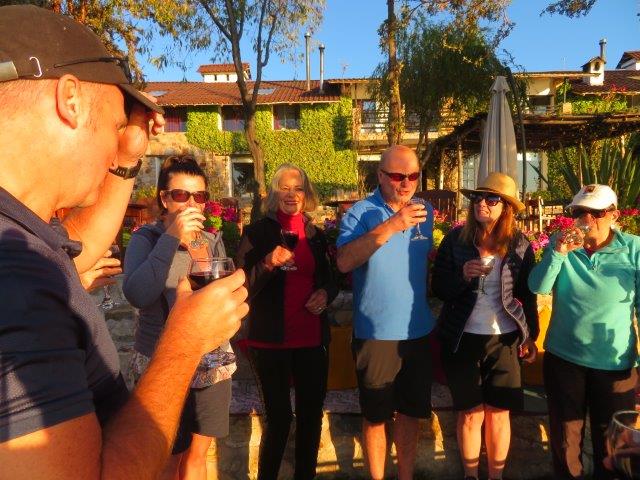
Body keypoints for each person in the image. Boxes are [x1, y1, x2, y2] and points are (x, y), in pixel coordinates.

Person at [0, 6, 248, 480]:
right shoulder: (14, 272)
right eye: (117, 126)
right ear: (70, 100)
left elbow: (78, 246)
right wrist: (185, 342)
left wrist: (130, 157)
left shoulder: (21, 236)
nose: (117, 145)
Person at [123, 155, 235, 480]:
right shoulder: (146, 239)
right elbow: (138, 294)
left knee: (197, 457)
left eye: (199, 196)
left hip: (210, 359)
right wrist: (171, 238)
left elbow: (219, 294)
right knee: (167, 458)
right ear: (164, 198)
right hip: (163, 360)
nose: (191, 204)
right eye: (181, 195)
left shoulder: (211, 241)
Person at [336, 145, 435, 480]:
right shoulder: (360, 212)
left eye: (413, 176)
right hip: (376, 333)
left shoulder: (426, 210)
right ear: (380, 175)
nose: (406, 183)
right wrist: (393, 225)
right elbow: (344, 262)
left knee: (410, 413)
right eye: (397, 176)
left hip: (418, 330)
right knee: (376, 416)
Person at [528, 184, 640, 480]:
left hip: (615, 363)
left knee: (613, 445)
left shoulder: (634, 249)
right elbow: (538, 286)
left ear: (614, 215)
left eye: (596, 213)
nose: (586, 219)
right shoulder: (561, 244)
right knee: (566, 442)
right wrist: (558, 253)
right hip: (565, 358)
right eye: (580, 212)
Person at [432, 172, 539, 480]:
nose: (482, 203)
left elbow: (526, 294)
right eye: (478, 198)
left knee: (499, 414)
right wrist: (463, 276)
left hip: (504, 339)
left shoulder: (519, 245)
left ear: (506, 208)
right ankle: (470, 475)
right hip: (461, 338)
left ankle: (496, 476)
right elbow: (439, 288)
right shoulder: (456, 240)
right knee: (469, 414)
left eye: (492, 199)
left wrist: (531, 336)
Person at [236, 163, 338, 480]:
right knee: (279, 419)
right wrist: (268, 262)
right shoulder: (257, 233)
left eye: (298, 188)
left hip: (311, 339)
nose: (292, 194)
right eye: (285, 188)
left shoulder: (316, 236)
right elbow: (241, 286)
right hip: (270, 341)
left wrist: (325, 293)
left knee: (311, 417)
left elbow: (332, 279)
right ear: (273, 193)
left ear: (306, 194)